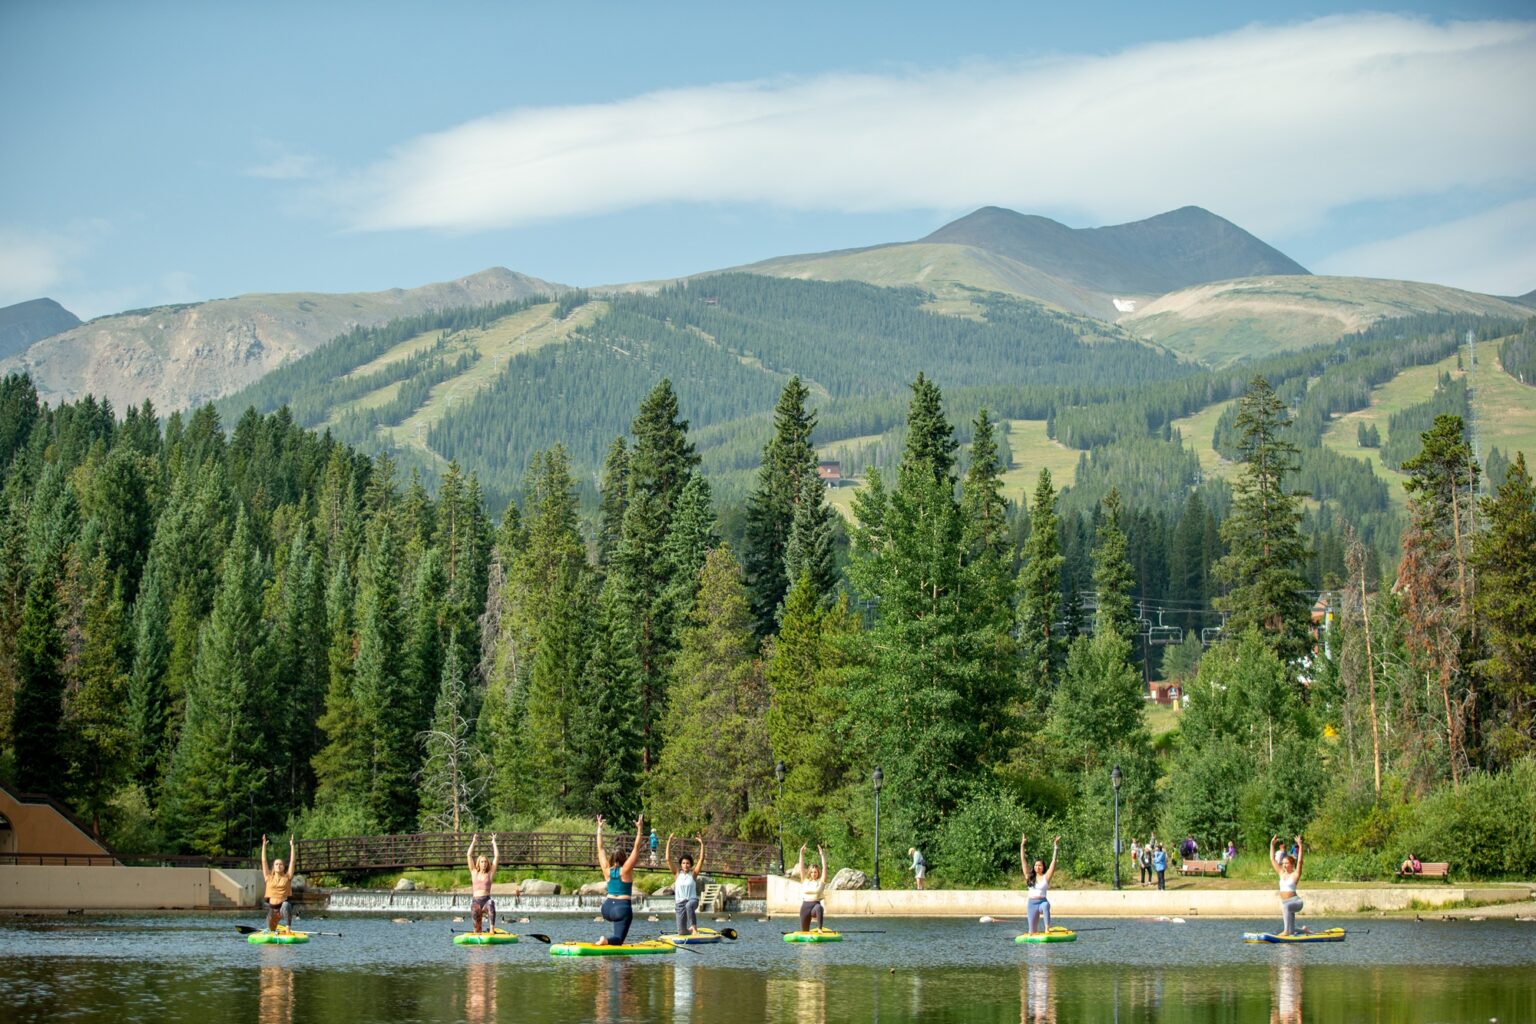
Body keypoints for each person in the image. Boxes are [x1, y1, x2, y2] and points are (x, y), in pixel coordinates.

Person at [594, 814, 645, 946]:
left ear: (612, 858)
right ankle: (606, 940)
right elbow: (636, 848)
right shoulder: (626, 870)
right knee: (619, 940)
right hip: (622, 908)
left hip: (606, 909)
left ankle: (610, 940)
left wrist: (599, 828)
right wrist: (639, 829)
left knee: (618, 935)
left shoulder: (606, 870)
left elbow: (600, 849)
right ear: (624, 858)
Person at [467, 833, 518, 934]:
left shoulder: (490, 873)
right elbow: (469, 855)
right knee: (475, 917)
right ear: (478, 863)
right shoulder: (473, 872)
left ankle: (491, 930)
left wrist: (494, 842)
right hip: (476, 901)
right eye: (482, 862)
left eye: (486, 862)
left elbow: (497, 856)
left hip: (486, 901)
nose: (484, 863)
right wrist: (473, 842)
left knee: (491, 903)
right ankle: (477, 930)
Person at [666, 833, 706, 936]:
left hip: (692, 901)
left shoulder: (693, 875)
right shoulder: (677, 874)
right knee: (682, 932)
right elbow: (668, 859)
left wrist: (702, 844)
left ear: (691, 865)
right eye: (683, 863)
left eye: (687, 863)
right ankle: (690, 931)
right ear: (681, 864)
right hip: (679, 905)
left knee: (689, 905)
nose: (685, 865)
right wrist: (669, 841)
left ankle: (694, 928)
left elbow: (701, 860)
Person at [1020, 833, 1059, 934]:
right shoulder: (1029, 877)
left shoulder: (1046, 877)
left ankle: (1047, 928)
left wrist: (1056, 847)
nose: (1038, 867)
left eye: (1040, 865)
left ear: (1043, 867)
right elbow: (1023, 861)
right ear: (1033, 867)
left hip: (1042, 902)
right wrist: (1022, 845)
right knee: (1032, 931)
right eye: (1036, 865)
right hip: (1031, 904)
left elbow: (1053, 863)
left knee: (1046, 905)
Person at [260, 833, 298, 932]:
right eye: (276, 864)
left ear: (283, 867)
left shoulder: (287, 877)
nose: (278, 865)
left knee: (286, 904)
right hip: (272, 909)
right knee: (271, 929)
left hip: (283, 908)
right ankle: (273, 928)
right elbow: (264, 861)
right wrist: (264, 845)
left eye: (281, 864)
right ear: (273, 867)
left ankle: (288, 927)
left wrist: (292, 846)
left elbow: (292, 862)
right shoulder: (268, 877)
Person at [1270, 834, 1306, 936]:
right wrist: (1272, 844)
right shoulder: (1281, 873)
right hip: (1287, 903)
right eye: (1283, 863)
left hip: (1296, 902)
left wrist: (1300, 845)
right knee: (1292, 928)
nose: (1284, 865)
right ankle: (1305, 930)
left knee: (1285, 906)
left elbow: (1300, 861)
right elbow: (1272, 860)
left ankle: (1286, 932)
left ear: (1291, 864)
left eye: (1287, 863)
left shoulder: (1295, 874)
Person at [794, 843, 829, 932]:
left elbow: (825, 868)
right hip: (805, 907)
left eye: (815, 872)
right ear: (809, 873)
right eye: (812, 872)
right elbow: (801, 867)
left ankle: (820, 929)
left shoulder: (821, 881)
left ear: (818, 873)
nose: (814, 874)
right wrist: (801, 854)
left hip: (815, 906)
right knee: (805, 931)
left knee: (819, 907)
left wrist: (822, 855)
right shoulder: (805, 881)